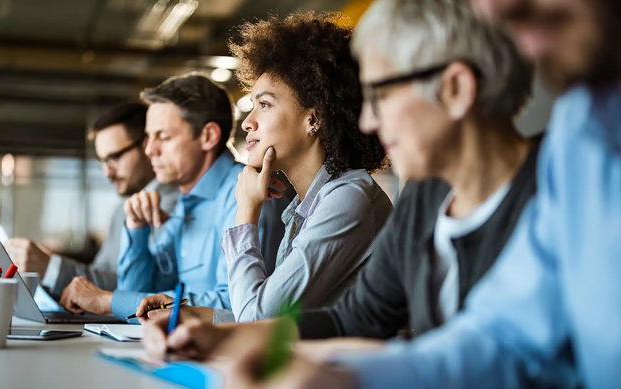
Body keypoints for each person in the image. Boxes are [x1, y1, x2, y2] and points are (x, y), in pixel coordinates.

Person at [216, 0, 621, 389]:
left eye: (381, 96)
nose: (497, 8)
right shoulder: (582, 122)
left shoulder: (352, 197)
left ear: (454, 90)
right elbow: (505, 340)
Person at [141, 0, 539, 363]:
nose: (369, 121)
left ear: (455, 88)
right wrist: (220, 336)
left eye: (381, 96)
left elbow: (509, 366)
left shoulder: (550, 195)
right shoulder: (425, 194)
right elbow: (358, 317)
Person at [136, 13, 391, 338]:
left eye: (265, 105)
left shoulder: (348, 198)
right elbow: (271, 314)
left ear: (314, 119)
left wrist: (246, 211)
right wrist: (193, 313)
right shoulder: (308, 203)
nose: (247, 122)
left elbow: (258, 318)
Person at [59, 74, 286, 320]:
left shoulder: (247, 193)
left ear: (208, 136)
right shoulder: (181, 200)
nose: (149, 150)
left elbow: (235, 305)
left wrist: (107, 301)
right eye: (149, 138)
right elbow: (139, 295)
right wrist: (137, 231)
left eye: (163, 137)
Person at [5, 103, 178, 297]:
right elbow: (100, 278)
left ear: (148, 147)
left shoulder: (175, 206)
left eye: (115, 157)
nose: (107, 172)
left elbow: (142, 291)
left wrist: (50, 266)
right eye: (102, 161)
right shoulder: (120, 211)